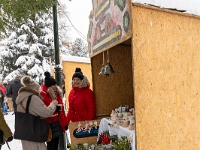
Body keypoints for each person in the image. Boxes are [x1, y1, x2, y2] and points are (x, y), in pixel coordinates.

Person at [15, 75, 58, 150]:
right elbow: (46, 112)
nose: (40, 90)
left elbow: (30, 111)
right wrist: (53, 104)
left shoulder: (21, 97)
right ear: (33, 89)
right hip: (34, 132)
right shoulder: (33, 98)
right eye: (38, 89)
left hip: (24, 131)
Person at [40, 71, 68, 150]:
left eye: (55, 84)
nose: (55, 86)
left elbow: (62, 111)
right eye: (53, 85)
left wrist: (64, 123)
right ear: (49, 86)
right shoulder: (43, 95)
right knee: (50, 145)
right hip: (49, 123)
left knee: (56, 144)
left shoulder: (57, 94)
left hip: (57, 122)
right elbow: (43, 110)